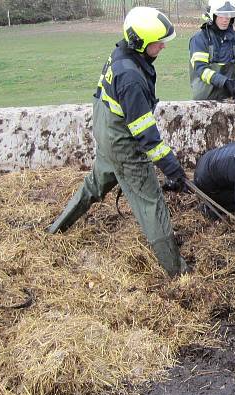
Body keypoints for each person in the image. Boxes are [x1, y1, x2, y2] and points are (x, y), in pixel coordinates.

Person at [47, 7, 190, 276]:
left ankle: (55, 230)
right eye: (158, 42)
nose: (162, 46)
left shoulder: (121, 54)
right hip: (124, 146)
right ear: (140, 42)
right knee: (151, 204)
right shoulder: (132, 77)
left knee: (93, 186)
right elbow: (146, 133)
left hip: (107, 135)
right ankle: (178, 273)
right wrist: (172, 168)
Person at [189, 0, 235, 101]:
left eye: (228, 16)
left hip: (231, 100)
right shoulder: (200, 39)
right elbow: (201, 69)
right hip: (205, 101)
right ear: (213, 16)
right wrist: (224, 82)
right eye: (221, 16)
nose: (225, 20)